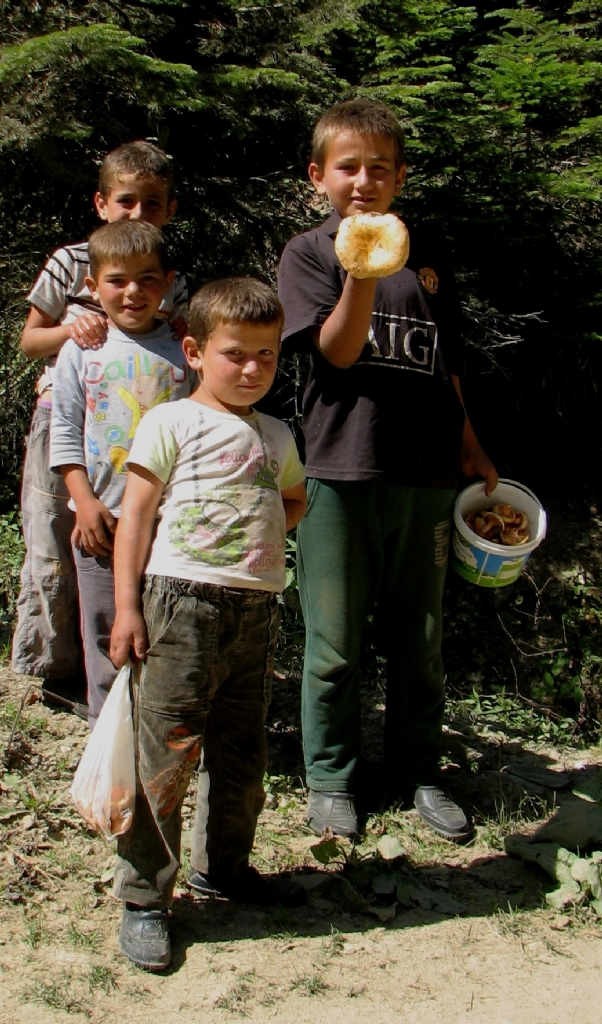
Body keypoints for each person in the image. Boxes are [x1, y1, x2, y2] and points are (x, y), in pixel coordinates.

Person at [277, 99, 498, 842]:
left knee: (420, 638)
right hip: (338, 471)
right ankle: (332, 778)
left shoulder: (427, 258)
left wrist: (469, 442)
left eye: (379, 168)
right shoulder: (308, 254)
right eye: (348, 167)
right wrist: (361, 267)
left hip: (425, 475)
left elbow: (448, 363)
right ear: (319, 176)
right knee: (334, 642)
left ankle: (419, 773)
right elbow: (335, 351)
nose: (363, 180)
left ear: (400, 176)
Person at [109, 278, 308, 971]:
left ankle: (223, 869)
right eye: (235, 354)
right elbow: (135, 514)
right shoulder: (169, 421)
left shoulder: (276, 432)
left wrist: (254, 543)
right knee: (164, 758)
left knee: (241, 755)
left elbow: (292, 498)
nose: (252, 369)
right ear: (193, 351)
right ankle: (143, 899)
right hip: (178, 603)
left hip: (254, 611)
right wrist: (128, 606)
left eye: (266, 355)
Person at [11, 141, 188, 716]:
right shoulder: (71, 261)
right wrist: (73, 331)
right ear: (102, 201)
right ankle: (61, 676)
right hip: (66, 421)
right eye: (126, 201)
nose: (137, 213)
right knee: (55, 544)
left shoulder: (167, 277)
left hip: (143, 436)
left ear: (170, 210)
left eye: (152, 203)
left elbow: (183, 347)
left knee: (129, 554)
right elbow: (28, 339)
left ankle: (136, 685)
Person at [50, 219, 194, 727]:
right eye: (117, 280)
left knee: (165, 632)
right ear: (92, 286)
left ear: (169, 282)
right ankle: (106, 737)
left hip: (172, 525)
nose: (133, 292)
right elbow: (63, 429)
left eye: (148, 279)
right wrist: (83, 503)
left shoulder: (186, 350)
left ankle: (161, 734)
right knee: (106, 632)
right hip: (102, 524)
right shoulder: (80, 350)